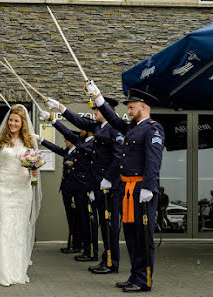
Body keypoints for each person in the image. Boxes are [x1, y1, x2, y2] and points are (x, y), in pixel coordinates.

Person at [78, 82, 165, 292]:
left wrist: (148, 187)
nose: (128, 111)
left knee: (143, 237)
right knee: (131, 235)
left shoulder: (153, 128)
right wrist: (98, 97)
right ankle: (135, 276)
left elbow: (154, 160)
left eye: (131, 107)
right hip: (127, 190)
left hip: (141, 190)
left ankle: (144, 279)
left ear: (144, 107)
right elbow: (115, 120)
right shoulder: (134, 127)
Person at [44, 97, 123, 274]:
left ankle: (111, 262)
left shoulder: (114, 128)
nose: (94, 112)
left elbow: (118, 156)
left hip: (109, 187)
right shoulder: (98, 128)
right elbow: (76, 122)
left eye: (97, 109)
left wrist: (108, 179)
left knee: (110, 226)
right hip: (98, 185)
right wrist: (58, 108)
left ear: (107, 110)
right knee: (104, 225)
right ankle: (106, 260)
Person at [0, 104, 41, 287]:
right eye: (11, 120)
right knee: (3, 227)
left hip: (22, 190)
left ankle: (17, 270)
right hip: (3, 188)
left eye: (16, 121)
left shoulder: (29, 142)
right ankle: (1, 271)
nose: (12, 123)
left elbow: (33, 169)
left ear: (23, 123)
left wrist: (34, 172)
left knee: (19, 230)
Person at [35, 133, 81, 254]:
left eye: (67, 139)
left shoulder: (78, 152)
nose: (65, 140)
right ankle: (71, 244)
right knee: (70, 218)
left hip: (74, 191)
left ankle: (76, 244)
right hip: (66, 190)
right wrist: (42, 140)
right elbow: (55, 148)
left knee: (75, 218)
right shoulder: (68, 151)